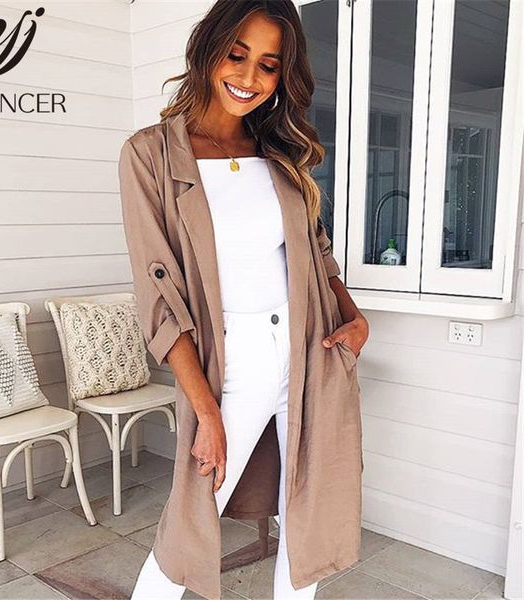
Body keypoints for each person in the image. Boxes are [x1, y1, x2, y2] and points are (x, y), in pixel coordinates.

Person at [119, 1, 369, 598]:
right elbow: (160, 298)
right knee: (188, 528)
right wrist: (206, 410)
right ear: (208, 49)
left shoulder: (278, 152)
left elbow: (316, 252)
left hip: (310, 350)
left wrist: (354, 316)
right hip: (231, 361)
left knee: (306, 518)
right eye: (237, 55)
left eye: (269, 65)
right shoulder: (150, 155)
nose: (249, 76)